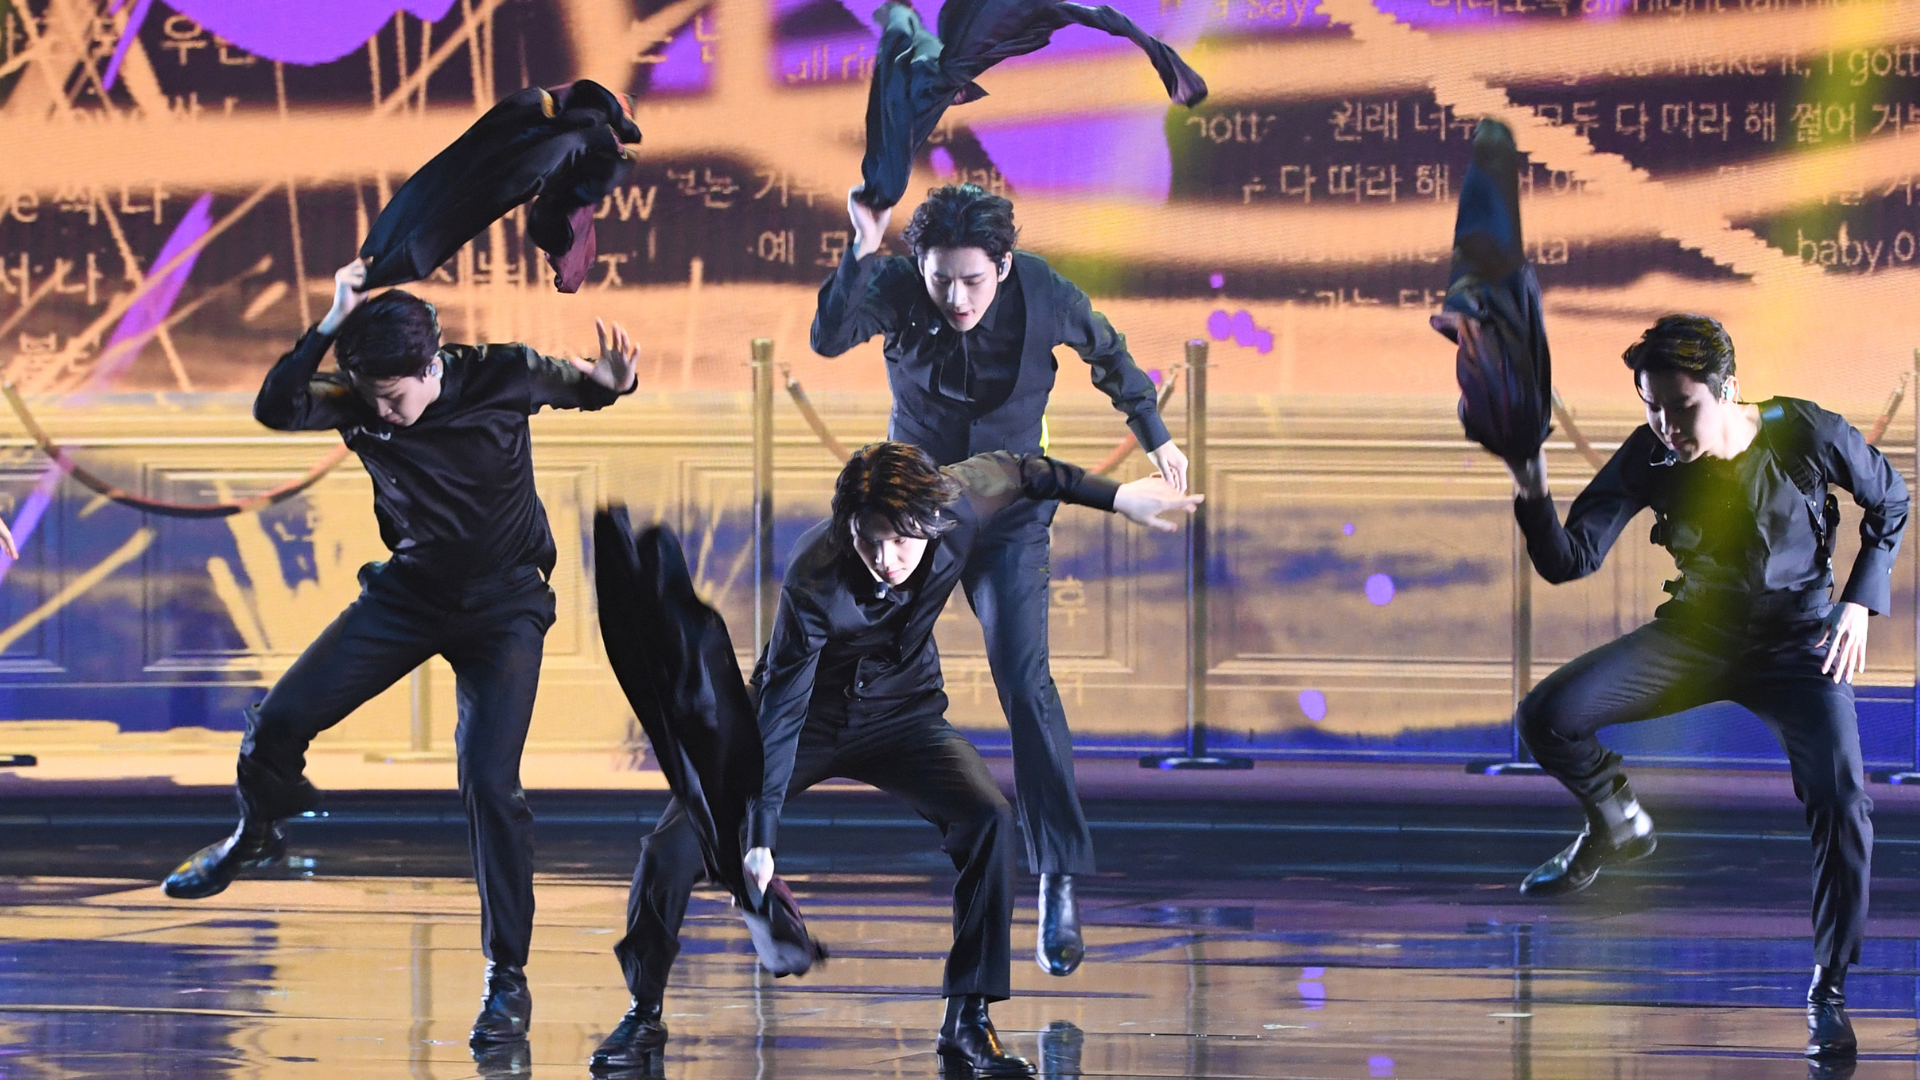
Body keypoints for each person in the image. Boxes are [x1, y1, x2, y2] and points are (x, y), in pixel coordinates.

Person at [590, 442, 1200, 1076]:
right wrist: (761, 837)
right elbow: (783, 711)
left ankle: (968, 1020)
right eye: (869, 542)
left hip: (902, 716)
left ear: (931, 526)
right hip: (805, 719)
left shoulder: (957, 505)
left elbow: (1030, 471)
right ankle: (643, 1013)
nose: (885, 561)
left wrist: (1121, 498)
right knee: (671, 849)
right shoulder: (815, 575)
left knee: (988, 818)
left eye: (901, 545)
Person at [161, 257, 639, 1049]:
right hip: (410, 595)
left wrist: (616, 381)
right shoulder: (358, 398)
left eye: (397, 396)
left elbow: (587, 385)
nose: (387, 413)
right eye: (373, 400)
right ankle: (257, 832)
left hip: (505, 607)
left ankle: (506, 979)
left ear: (431, 364)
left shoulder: (502, 374)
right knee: (277, 722)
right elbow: (278, 407)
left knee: (491, 784)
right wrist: (328, 320)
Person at [1473, 312, 1908, 1062]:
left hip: (1799, 645)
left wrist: (1860, 602)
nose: (1666, 425)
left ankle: (1828, 988)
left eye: (1681, 408)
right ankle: (1617, 823)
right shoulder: (1650, 454)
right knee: (1548, 716)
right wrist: (1529, 476)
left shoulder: (1802, 431)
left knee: (1843, 801)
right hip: (1696, 637)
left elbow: (1891, 500)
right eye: (1651, 406)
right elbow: (1570, 558)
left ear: (1729, 391)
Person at [811, 182, 1187, 975]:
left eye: (973, 281)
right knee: (831, 663)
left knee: (1026, 685)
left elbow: (1110, 355)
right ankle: (758, 852)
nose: (954, 298)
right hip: (914, 517)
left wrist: (1155, 436)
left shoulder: (1044, 290)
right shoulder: (896, 284)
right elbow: (827, 335)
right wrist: (859, 249)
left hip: (1013, 512)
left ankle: (1056, 875)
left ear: (1006, 266)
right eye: (940, 279)